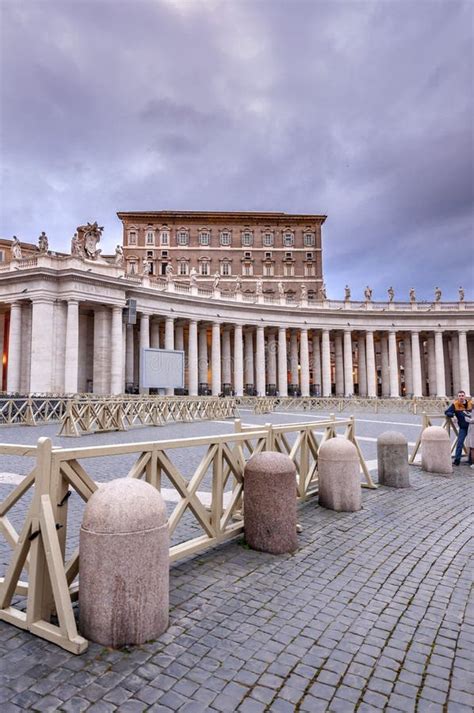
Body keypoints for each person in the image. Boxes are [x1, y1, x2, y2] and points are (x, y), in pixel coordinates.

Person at [445, 391, 473, 465]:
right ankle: (457, 460)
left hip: (472, 427)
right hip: (463, 427)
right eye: (459, 396)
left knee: (472, 444)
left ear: (465, 396)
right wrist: (453, 415)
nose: (461, 397)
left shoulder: (471, 403)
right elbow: (447, 412)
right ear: (458, 397)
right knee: (460, 443)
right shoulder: (455, 404)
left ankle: (471, 460)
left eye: (462, 395)